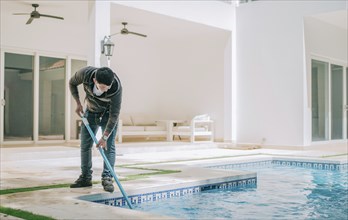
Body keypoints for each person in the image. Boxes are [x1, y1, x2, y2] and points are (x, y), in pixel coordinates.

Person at [69, 66, 122, 192]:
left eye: (107, 88)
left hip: (108, 114)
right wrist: (78, 103)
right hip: (91, 111)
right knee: (85, 145)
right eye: (102, 87)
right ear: (94, 81)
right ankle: (85, 178)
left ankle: (107, 177)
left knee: (109, 146)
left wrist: (104, 137)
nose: (105, 91)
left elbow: (114, 115)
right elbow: (72, 83)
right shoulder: (85, 74)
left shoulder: (116, 87)